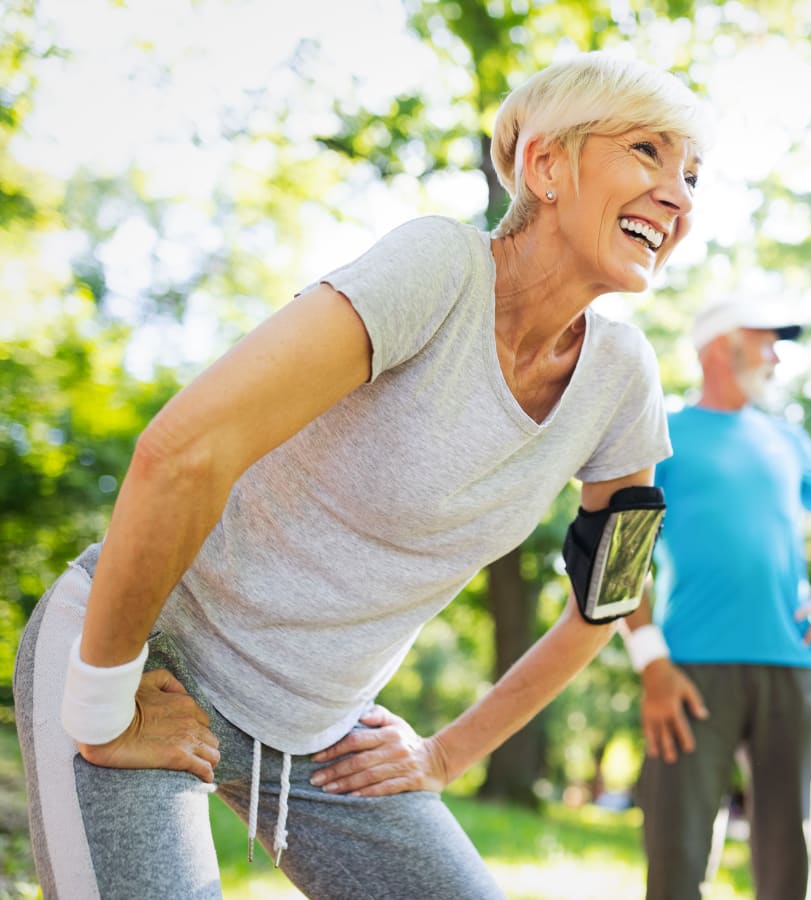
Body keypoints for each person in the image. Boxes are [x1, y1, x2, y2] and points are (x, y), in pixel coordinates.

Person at [14, 51, 709, 899]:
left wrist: (445, 753)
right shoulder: (440, 270)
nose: (677, 196)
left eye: (692, 175)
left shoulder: (623, 382)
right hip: (146, 669)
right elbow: (184, 451)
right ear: (546, 164)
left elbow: (606, 601)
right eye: (646, 151)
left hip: (323, 736)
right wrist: (101, 703)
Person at [623, 295, 811, 900]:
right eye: (766, 341)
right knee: (676, 857)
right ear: (721, 345)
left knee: (790, 857)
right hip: (690, 673)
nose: (777, 357)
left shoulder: (787, 439)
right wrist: (650, 663)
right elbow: (621, 555)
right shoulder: (660, 433)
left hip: (795, 664)